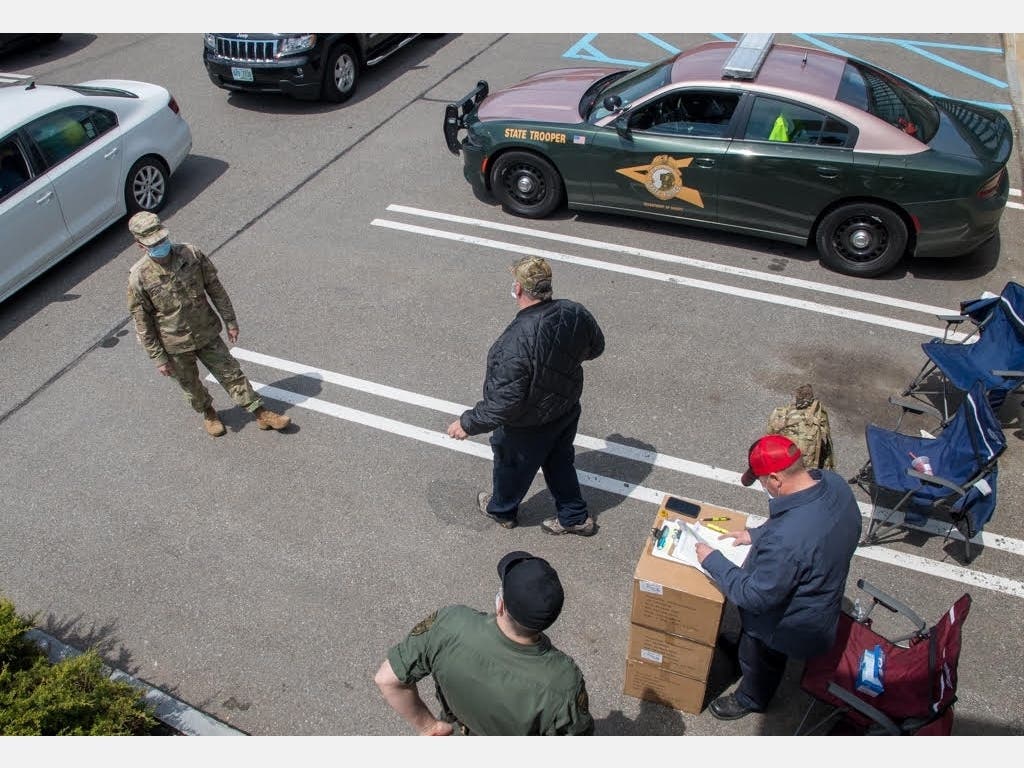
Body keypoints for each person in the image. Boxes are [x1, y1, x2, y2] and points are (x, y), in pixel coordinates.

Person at [695, 434, 861, 720]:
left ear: (775, 479)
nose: (763, 487)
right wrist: (755, 535)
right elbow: (795, 529)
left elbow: (756, 597)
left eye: (761, 481)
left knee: (758, 649)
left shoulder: (788, 540)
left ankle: (752, 696)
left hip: (793, 623)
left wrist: (713, 561)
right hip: (824, 595)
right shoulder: (835, 484)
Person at [446, 256, 604, 536]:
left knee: (511, 466)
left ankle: (502, 510)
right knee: (559, 460)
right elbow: (595, 347)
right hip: (565, 407)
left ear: (518, 288)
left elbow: (503, 402)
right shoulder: (574, 311)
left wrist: (468, 423)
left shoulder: (515, 342)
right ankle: (574, 516)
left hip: (528, 422)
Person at [374, 550, 594, 735]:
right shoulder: (562, 683)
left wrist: (430, 727)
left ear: (500, 605)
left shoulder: (449, 624)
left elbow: (387, 679)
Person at [125, 212, 291, 437]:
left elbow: (215, 288)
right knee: (191, 386)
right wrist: (158, 358)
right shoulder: (138, 278)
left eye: (162, 240)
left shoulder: (191, 254)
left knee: (232, 373)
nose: (160, 245)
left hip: (206, 332)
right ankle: (209, 413)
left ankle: (261, 413)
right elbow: (142, 323)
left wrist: (230, 320)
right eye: (153, 243)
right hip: (174, 345)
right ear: (140, 245)